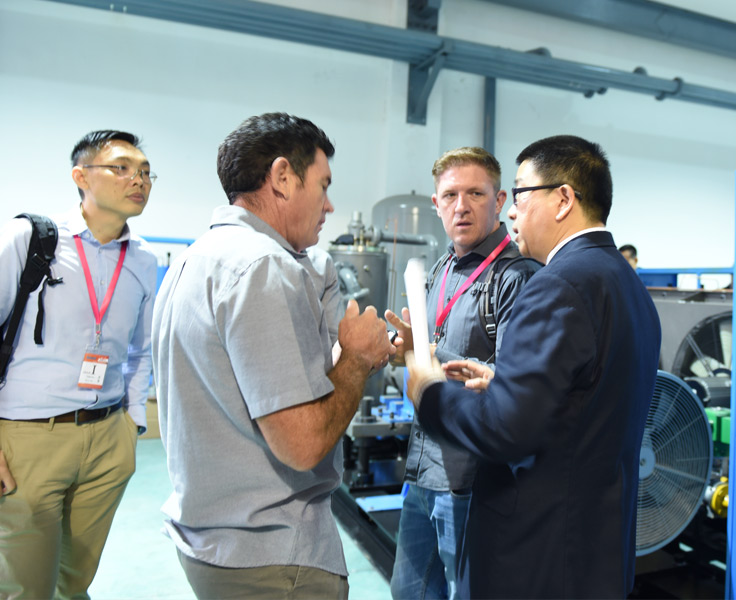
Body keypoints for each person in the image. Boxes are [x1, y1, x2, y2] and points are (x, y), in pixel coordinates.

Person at [404, 135, 661, 598]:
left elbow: (504, 431)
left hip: (538, 555)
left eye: (520, 195)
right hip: (594, 550)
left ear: (563, 200)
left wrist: (430, 391)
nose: (512, 213)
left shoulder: (557, 285)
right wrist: (505, 382)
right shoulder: (625, 284)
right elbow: (585, 400)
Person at [151, 112, 394, 599]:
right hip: (273, 554)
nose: (329, 205)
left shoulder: (197, 258)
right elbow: (302, 445)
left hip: (214, 541)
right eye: (323, 186)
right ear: (283, 177)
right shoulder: (263, 267)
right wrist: (356, 358)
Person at [0, 130, 158, 599]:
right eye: (122, 168)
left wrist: (131, 423)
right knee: (26, 586)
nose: (139, 180)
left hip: (108, 438)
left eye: (146, 172)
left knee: (74, 583)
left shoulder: (143, 259)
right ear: (80, 177)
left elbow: (142, 350)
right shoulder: (29, 239)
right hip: (29, 437)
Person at [385, 147, 539, 600]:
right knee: (408, 592)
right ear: (436, 204)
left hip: (472, 481)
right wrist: (405, 348)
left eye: (476, 193)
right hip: (422, 469)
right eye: (450, 195)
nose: (462, 206)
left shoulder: (515, 278)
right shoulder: (441, 268)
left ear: (499, 200)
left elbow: (517, 385)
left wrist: (433, 357)